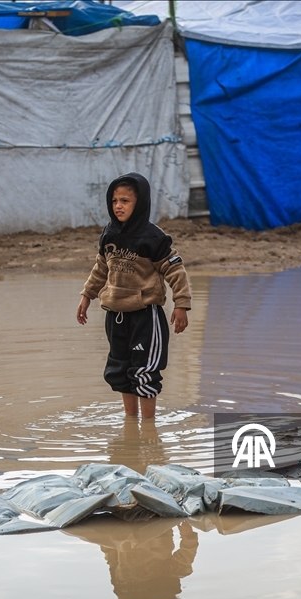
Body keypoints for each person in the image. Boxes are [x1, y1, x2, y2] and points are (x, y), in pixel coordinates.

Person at [76, 172, 191, 420]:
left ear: (140, 204)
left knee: (145, 372)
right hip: (116, 316)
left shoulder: (154, 238)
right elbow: (101, 268)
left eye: (125, 201)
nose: (118, 206)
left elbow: (175, 270)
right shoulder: (109, 234)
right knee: (120, 371)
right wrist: (87, 295)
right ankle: (131, 421)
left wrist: (181, 304)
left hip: (145, 318)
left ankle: (148, 428)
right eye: (115, 200)